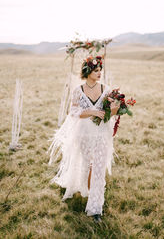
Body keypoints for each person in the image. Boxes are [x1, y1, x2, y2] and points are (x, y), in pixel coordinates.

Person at [47, 55, 119, 222]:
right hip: (84, 134)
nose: (99, 73)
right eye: (96, 70)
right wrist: (92, 112)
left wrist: (117, 108)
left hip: (101, 134)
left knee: (99, 168)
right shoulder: (78, 91)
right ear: (88, 72)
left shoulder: (106, 90)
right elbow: (72, 113)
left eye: (100, 70)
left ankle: (95, 209)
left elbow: (110, 112)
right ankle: (86, 190)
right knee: (88, 163)